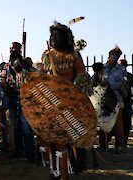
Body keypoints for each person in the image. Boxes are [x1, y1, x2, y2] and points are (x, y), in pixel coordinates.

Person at [41, 22, 93, 180]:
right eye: (51, 36)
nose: (52, 39)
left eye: (56, 36)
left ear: (65, 38)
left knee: (61, 142)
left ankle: (63, 175)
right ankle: (54, 170)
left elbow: (83, 81)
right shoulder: (47, 55)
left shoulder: (74, 55)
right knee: (44, 139)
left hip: (67, 105)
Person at [0, 42, 35, 162]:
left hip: (24, 98)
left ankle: (30, 153)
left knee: (26, 126)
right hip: (11, 98)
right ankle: (18, 151)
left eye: (15, 48)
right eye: (10, 48)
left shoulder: (25, 63)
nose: (12, 50)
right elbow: (2, 81)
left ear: (20, 49)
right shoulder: (6, 66)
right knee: (15, 125)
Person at [98, 46, 127, 153]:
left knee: (118, 122)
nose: (114, 57)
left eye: (116, 56)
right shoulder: (102, 68)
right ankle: (103, 144)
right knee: (103, 121)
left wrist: (109, 83)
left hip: (116, 97)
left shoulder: (121, 69)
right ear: (109, 56)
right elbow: (95, 80)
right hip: (104, 97)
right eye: (112, 55)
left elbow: (122, 83)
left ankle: (119, 144)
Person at [118, 59, 133, 147]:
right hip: (119, 103)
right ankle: (121, 143)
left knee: (126, 124)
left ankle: (123, 143)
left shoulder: (130, 76)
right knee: (122, 124)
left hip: (126, 103)